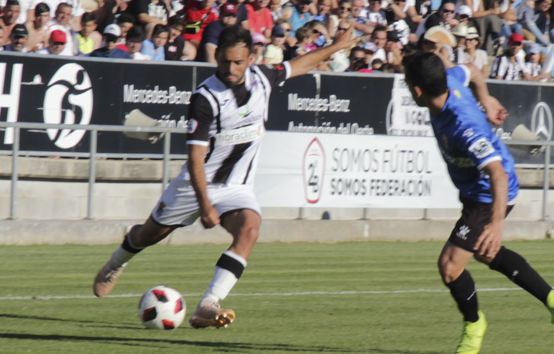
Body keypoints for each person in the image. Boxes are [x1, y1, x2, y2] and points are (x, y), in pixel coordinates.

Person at [91, 25, 360, 330]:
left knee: (249, 230)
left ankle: (208, 304)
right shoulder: (205, 98)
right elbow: (194, 158)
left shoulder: (264, 78)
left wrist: (335, 47)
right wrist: (205, 206)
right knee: (147, 236)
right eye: (224, 62)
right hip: (196, 186)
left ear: (250, 58)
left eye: (238, 62)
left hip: (236, 187)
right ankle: (116, 263)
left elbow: (301, 64)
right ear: (217, 56)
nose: (230, 69)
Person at [400, 48, 554, 354]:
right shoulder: (450, 79)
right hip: (477, 191)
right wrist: (487, 97)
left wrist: (496, 224)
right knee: (484, 252)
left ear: (417, 90)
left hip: (491, 192)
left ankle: (474, 325)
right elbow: (472, 69)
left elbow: (496, 175)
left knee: (450, 267)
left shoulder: (464, 125)